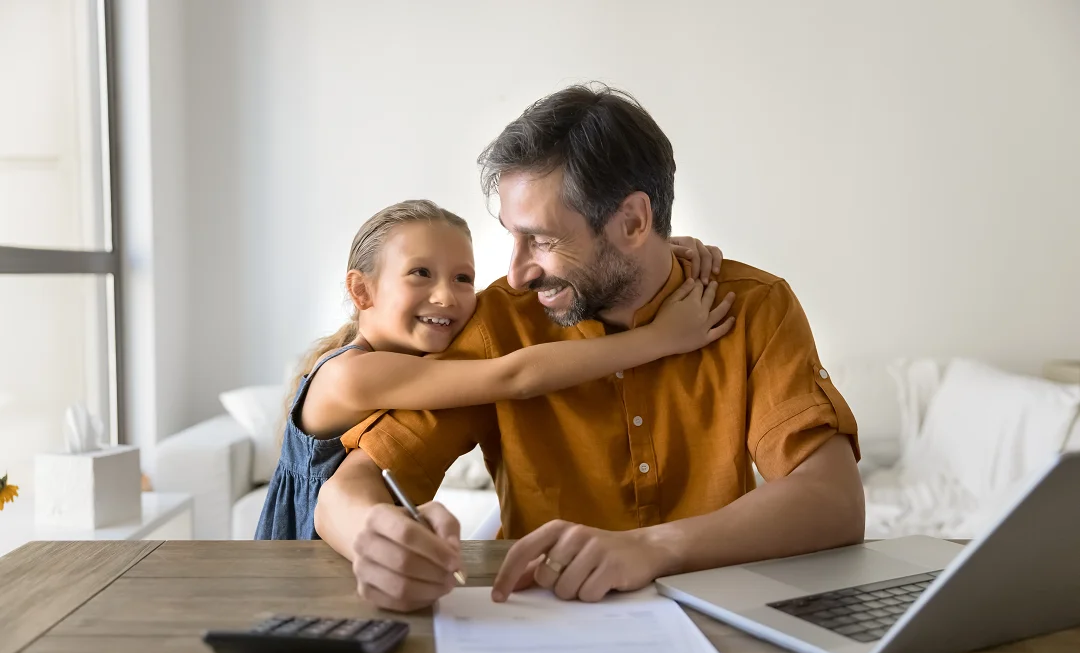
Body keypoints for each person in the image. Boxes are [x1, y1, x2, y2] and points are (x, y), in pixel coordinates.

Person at [316, 85, 864, 613]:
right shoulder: (497, 325)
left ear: (632, 222)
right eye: (512, 235)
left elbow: (834, 501)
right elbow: (347, 491)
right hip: (539, 624)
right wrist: (375, 540)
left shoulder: (753, 307)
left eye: (544, 240)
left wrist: (654, 548)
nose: (517, 270)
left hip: (721, 625)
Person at [255, 199, 735, 540]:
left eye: (463, 278)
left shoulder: (413, 359)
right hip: (317, 558)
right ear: (361, 292)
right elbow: (514, 375)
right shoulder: (350, 374)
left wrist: (647, 252)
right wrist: (659, 339)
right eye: (420, 273)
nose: (446, 295)